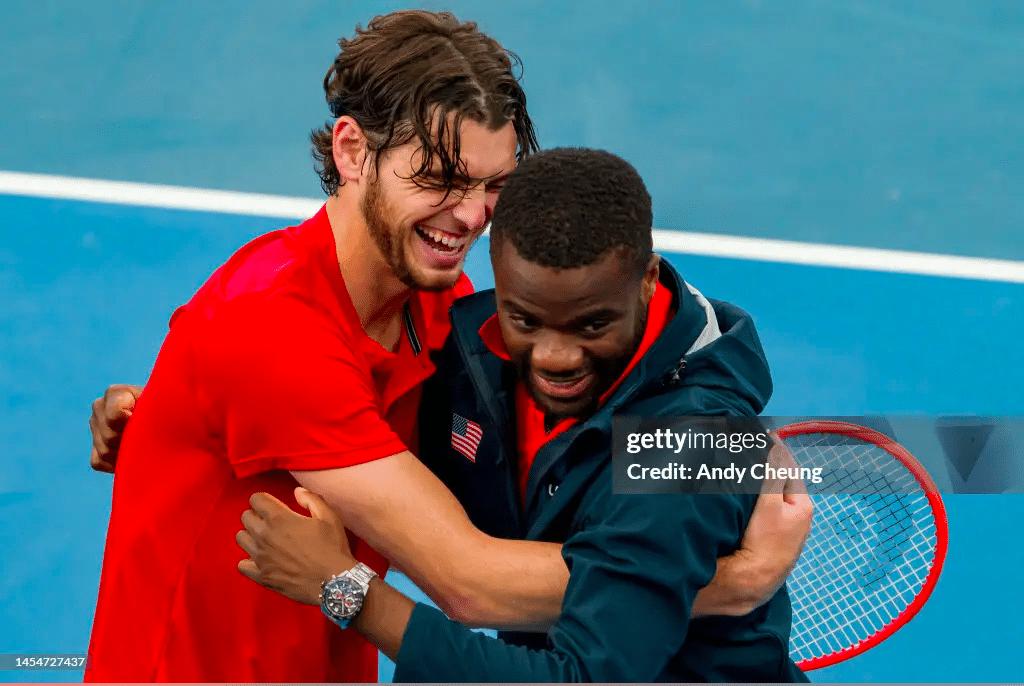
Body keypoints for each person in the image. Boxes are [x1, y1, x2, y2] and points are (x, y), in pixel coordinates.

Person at [84, 10, 812, 684]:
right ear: (351, 151)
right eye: (439, 179)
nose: (469, 216)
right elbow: (469, 579)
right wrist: (723, 582)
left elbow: (560, 467)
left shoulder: (445, 309)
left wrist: (708, 473)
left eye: (493, 185)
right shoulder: (273, 333)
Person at [236, 147, 811, 682]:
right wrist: (180, 406)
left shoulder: (692, 448)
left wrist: (345, 590)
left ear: (646, 280)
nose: (555, 359)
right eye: (526, 320)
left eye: (592, 325)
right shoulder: (477, 349)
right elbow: (388, 464)